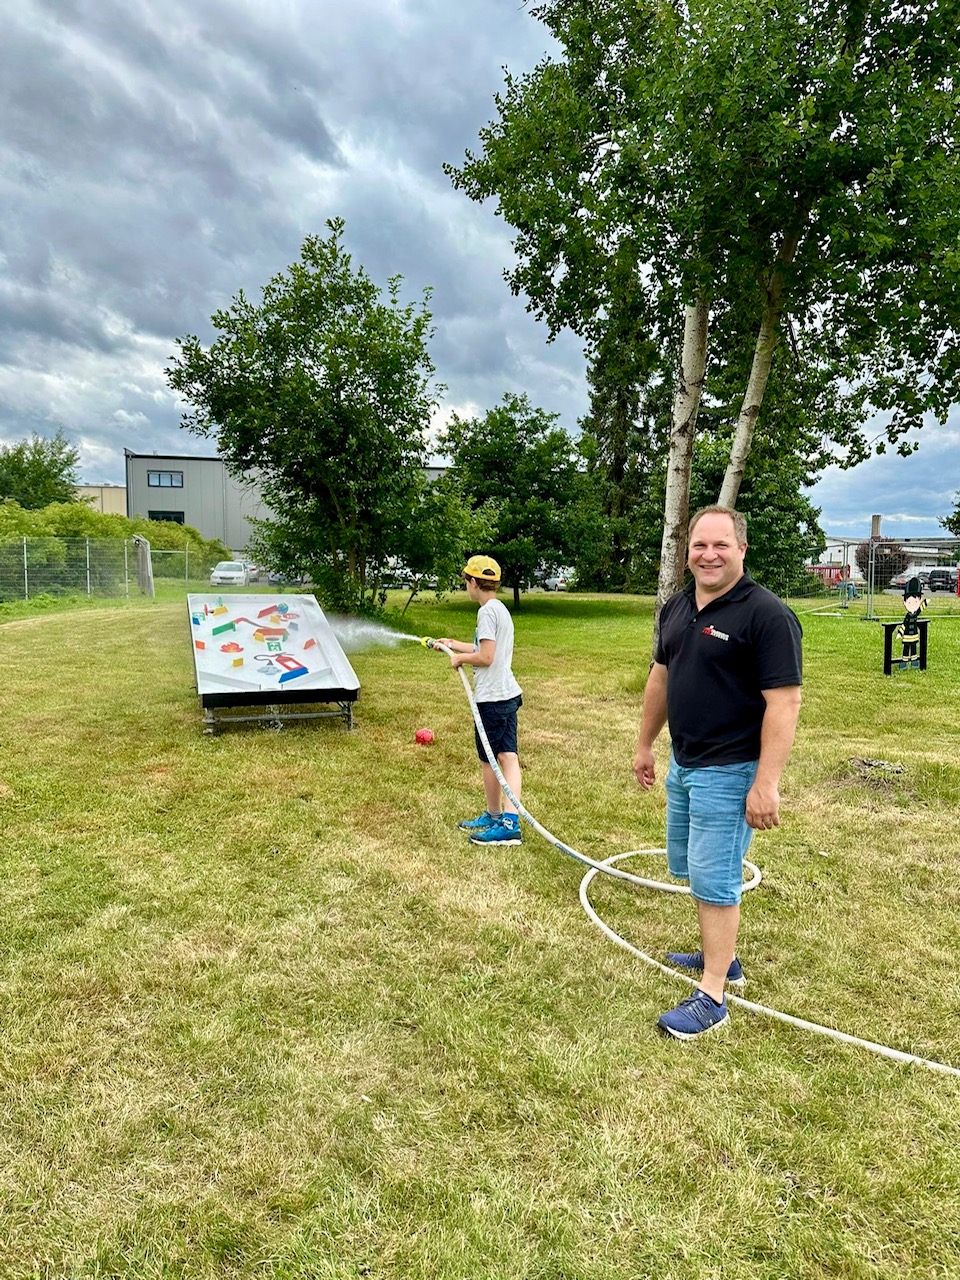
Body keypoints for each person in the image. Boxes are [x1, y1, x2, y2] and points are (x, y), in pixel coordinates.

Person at [633, 506, 802, 1040]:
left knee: (714, 878)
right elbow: (661, 677)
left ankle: (713, 995)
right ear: (687, 552)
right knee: (691, 867)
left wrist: (766, 783)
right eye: (699, 545)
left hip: (730, 770)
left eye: (721, 545)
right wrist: (645, 744)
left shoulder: (766, 615)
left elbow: (785, 702)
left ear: (741, 549)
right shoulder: (677, 606)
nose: (709, 555)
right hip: (685, 763)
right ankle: (721, 957)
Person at [435, 555, 524, 846]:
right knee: (508, 757)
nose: (466, 587)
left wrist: (460, 659)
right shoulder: (499, 609)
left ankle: (503, 821)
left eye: (466, 582)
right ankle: (504, 819)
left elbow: (486, 657)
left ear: (473, 582)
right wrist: (452, 644)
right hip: (507, 694)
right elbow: (483, 646)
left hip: (492, 700)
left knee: (490, 760)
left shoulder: (486, 612)